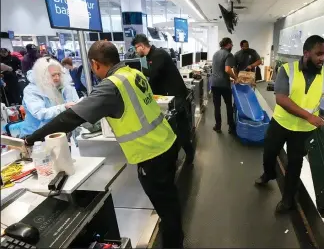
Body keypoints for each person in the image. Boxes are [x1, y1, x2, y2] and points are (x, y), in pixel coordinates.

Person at [24, 41, 184, 248]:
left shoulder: (111, 86)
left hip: (151, 153)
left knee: (166, 205)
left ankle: (174, 243)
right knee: (170, 199)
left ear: (95, 64)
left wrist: (31, 139)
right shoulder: (132, 73)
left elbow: (71, 118)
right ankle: (175, 234)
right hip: (166, 140)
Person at [255, 35, 324, 214]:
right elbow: (281, 99)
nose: (322, 58)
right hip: (281, 123)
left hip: (304, 131)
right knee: (269, 153)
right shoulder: (287, 70)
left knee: (295, 165)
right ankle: (269, 173)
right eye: (319, 54)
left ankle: (288, 200)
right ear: (306, 53)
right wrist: (308, 116)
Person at [132, 34, 195, 165]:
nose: (135, 52)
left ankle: (188, 155)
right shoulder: (151, 57)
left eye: (135, 48)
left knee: (178, 128)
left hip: (176, 97)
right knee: (174, 128)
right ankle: (179, 156)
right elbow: (156, 80)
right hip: (169, 96)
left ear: (141, 46)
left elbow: (153, 75)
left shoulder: (158, 54)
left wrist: (137, 72)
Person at [20, 57, 79, 137]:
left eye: (59, 74)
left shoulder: (59, 87)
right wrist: (63, 107)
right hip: (34, 136)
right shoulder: (31, 91)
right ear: (42, 75)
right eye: (53, 75)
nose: (57, 78)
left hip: (56, 133)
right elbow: (40, 113)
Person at [211, 37, 237, 134]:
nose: (232, 46)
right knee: (228, 105)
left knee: (217, 106)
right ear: (228, 44)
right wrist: (235, 78)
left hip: (214, 83)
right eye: (231, 44)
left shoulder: (215, 54)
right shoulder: (228, 54)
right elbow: (227, 69)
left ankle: (218, 126)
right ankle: (231, 127)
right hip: (224, 84)